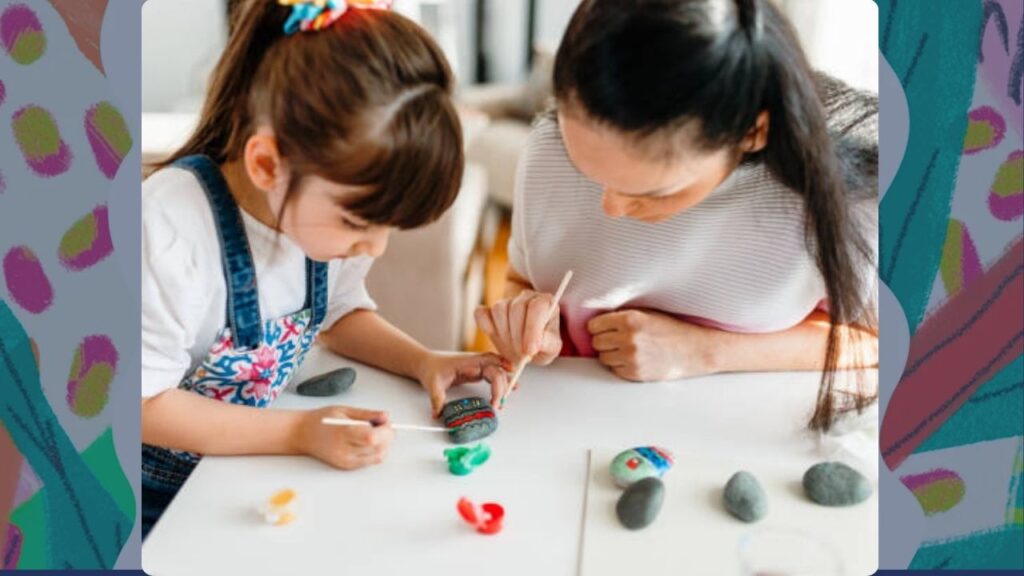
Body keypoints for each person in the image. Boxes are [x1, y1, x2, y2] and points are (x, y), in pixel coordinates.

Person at [140, 0, 510, 539]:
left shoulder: (313, 227)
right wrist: (297, 432)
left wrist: (424, 361)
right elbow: (139, 406)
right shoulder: (169, 229)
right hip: (147, 502)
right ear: (267, 164)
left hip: (231, 481)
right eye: (359, 222)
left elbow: (339, 314)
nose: (374, 249)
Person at [476, 0, 879, 430]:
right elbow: (521, 278)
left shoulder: (839, 202)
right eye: (587, 172)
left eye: (653, 191)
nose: (609, 208)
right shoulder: (546, 153)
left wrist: (704, 351)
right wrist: (524, 317)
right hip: (564, 431)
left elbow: (873, 346)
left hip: (738, 440)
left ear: (752, 131)